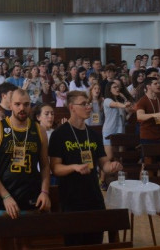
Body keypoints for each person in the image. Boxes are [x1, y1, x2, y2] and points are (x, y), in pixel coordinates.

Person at [49, 91, 122, 246]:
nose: (89, 107)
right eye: (84, 104)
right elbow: (55, 168)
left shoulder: (93, 134)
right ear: (72, 107)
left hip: (93, 196)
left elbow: (104, 164)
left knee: (95, 241)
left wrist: (112, 166)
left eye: (88, 103)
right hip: (71, 198)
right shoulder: (59, 134)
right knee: (74, 242)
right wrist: (73, 167)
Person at [0, 89, 50, 225]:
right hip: (2, 198)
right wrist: (6, 196)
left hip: (30, 195)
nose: (22, 108)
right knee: (3, 244)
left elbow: (44, 165)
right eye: (17, 104)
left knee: (26, 244)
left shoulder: (39, 130)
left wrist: (45, 191)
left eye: (26, 104)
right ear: (10, 105)